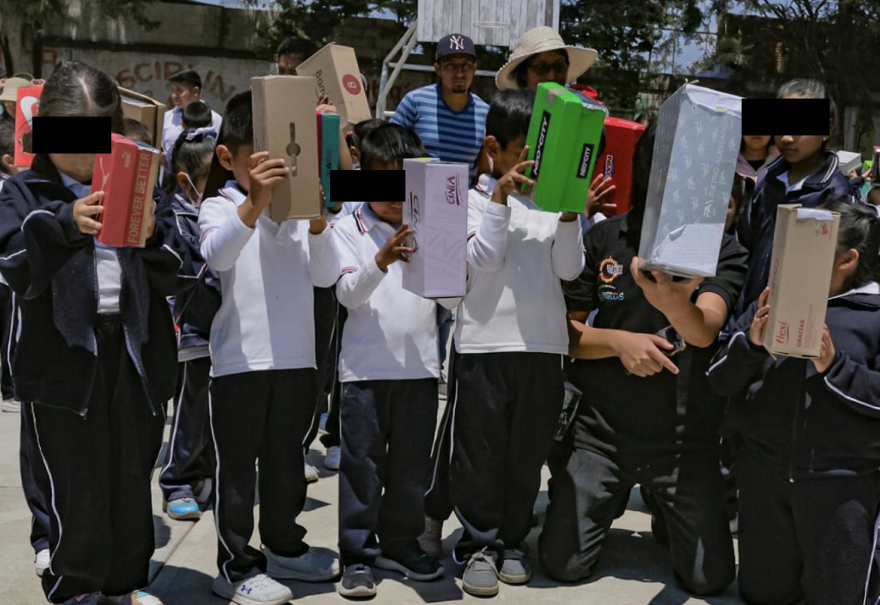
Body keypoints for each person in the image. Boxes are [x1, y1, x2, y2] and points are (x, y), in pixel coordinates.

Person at [0, 59, 189, 605]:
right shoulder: (25, 191)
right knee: (74, 484)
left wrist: (153, 235)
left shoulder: (140, 184)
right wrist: (62, 224)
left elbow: (183, 268)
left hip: (132, 353)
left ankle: (122, 584)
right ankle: (76, 587)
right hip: (62, 359)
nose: (89, 152)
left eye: (100, 133)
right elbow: (10, 259)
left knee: (129, 476)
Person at [539, 118, 745, 596]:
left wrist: (671, 298)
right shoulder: (605, 239)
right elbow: (564, 333)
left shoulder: (721, 251)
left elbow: (705, 331)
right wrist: (618, 343)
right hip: (601, 438)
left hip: (682, 445)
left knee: (709, 580)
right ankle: (597, 498)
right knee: (563, 564)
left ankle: (664, 504)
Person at [198, 90, 341, 605]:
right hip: (239, 363)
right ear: (226, 158)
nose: (272, 169)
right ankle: (235, 566)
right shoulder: (219, 205)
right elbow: (216, 256)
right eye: (257, 157)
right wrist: (254, 205)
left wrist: (320, 225)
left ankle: (284, 547)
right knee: (237, 470)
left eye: (280, 157)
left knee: (285, 463)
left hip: (298, 360)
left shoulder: (304, 214)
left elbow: (327, 277)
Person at [442, 88, 584, 598]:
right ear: (493, 149)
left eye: (543, 155)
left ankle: (512, 540)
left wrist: (569, 216)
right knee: (481, 454)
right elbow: (482, 258)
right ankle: (478, 542)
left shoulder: (552, 207)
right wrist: (501, 199)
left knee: (526, 454)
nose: (534, 164)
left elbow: (570, 269)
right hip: (483, 348)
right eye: (526, 152)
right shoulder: (471, 202)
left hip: (543, 349)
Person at [708, 200, 880, 605]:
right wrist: (751, 344)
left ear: (847, 259)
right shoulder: (774, 301)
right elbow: (719, 380)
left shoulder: (873, 317)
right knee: (761, 593)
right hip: (764, 478)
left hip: (839, 485)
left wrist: (833, 367)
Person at [332, 123, 446, 598]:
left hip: (420, 368)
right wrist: (379, 261)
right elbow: (345, 293)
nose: (395, 199)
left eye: (404, 186)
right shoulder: (347, 224)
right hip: (363, 372)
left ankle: (400, 544)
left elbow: (451, 299)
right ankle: (357, 555)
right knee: (362, 466)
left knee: (409, 468)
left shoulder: (433, 223)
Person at [735, 79, 856, 320]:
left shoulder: (837, 195)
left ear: (827, 129)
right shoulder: (768, 180)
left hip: (795, 328)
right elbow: (743, 246)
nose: (787, 138)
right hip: (747, 321)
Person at [158, 130, 219, 521]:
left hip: (222, 329)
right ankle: (176, 480)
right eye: (211, 179)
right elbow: (184, 272)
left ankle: (204, 473)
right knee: (190, 408)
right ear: (185, 181)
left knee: (214, 410)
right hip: (192, 328)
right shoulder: (176, 217)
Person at [391, 33, 488, 169]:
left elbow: (484, 169)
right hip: (417, 189)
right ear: (438, 69)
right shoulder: (415, 102)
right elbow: (388, 147)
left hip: (464, 190)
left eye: (465, 65)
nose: (459, 73)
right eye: (450, 65)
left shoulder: (485, 112)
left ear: (474, 68)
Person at [495, 26, 596, 91]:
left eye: (559, 66)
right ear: (523, 74)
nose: (551, 76)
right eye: (541, 67)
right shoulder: (511, 117)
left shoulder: (579, 112)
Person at [162, 70, 222, 160]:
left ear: (195, 91)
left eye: (179, 90)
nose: (174, 96)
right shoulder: (166, 118)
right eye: (172, 90)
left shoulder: (215, 119)